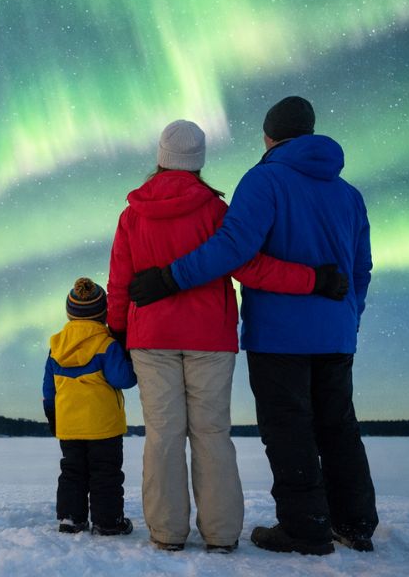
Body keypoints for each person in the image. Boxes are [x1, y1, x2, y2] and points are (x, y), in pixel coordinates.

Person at [128, 97, 378, 556]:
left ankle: (306, 527)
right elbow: (360, 268)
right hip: (335, 333)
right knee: (339, 426)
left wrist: (169, 278)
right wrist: (350, 317)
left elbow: (236, 250)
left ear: (269, 136)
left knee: (290, 428)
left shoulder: (263, 181)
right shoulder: (349, 194)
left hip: (279, 334)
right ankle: (356, 522)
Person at [43, 277, 137, 536]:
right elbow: (123, 379)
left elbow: (48, 390)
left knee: (72, 471)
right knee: (105, 473)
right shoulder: (106, 344)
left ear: (69, 313)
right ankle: (108, 522)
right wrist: (130, 358)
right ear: (103, 313)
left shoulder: (55, 347)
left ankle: (71, 518)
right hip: (103, 427)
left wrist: (53, 416)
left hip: (69, 425)